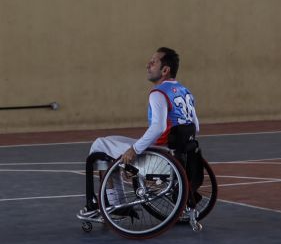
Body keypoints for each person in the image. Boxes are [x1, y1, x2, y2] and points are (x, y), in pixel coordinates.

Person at [77, 47, 199, 218]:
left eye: (153, 62)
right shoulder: (184, 91)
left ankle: (114, 203)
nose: (148, 65)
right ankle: (114, 200)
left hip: (160, 158)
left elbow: (158, 128)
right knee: (110, 141)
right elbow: (196, 126)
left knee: (99, 145)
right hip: (178, 155)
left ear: (165, 70)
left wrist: (134, 149)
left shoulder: (158, 94)